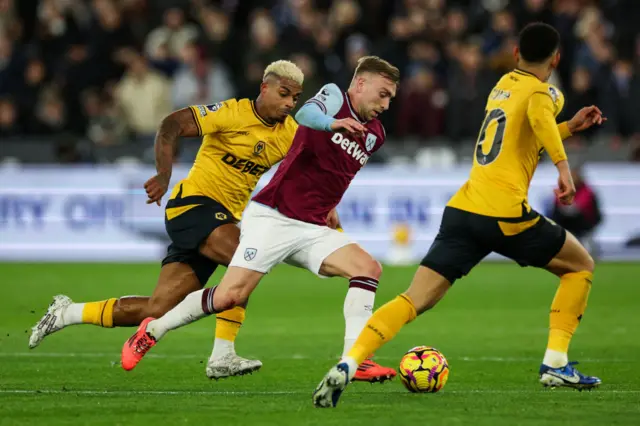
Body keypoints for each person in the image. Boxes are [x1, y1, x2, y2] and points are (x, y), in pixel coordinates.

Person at [313, 23, 607, 408]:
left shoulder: (503, 86)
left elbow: (520, 144)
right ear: (557, 58)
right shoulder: (540, 92)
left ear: (516, 53)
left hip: (463, 210)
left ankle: (349, 363)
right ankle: (555, 363)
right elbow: (538, 120)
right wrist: (564, 168)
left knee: (413, 298)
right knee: (580, 266)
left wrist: (567, 127)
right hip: (503, 213)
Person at [120, 56, 401, 384]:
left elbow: (336, 173)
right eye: (382, 94)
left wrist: (331, 206)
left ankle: (356, 359)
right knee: (230, 296)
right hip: (274, 218)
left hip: (312, 227)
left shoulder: (375, 135)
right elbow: (308, 114)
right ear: (361, 84)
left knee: (368, 268)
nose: (386, 103)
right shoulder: (334, 98)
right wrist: (331, 124)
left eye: (391, 98)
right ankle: (153, 329)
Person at [29, 60, 297, 379]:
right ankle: (222, 355)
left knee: (158, 307)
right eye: (284, 94)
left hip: (220, 221)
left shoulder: (289, 134)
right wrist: (164, 173)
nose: (289, 103)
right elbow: (171, 124)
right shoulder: (232, 113)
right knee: (246, 261)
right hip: (193, 205)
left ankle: (67, 312)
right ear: (264, 88)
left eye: (295, 98)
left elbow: (312, 167)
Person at [548, 165, 602, 256]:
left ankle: (585, 245)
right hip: (564, 220)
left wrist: (572, 208)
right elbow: (558, 204)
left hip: (583, 221)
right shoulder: (562, 190)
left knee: (576, 216)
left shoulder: (587, 191)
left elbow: (584, 205)